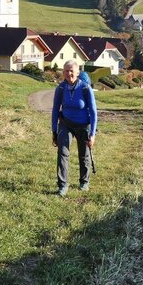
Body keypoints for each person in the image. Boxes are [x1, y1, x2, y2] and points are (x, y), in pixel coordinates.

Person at [51, 62, 97, 196]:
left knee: (84, 155)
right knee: (62, 153)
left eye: (71, 71)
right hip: (66, 124)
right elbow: (55, 110)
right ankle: (63, 185)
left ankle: (84, 181)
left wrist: (92, 134)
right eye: (66, 71)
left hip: (83, 126)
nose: (69, 74)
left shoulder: (85, 88)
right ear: (63, 72)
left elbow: (93, 112)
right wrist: (54, 131)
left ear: (77, 73)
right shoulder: (60, 88)